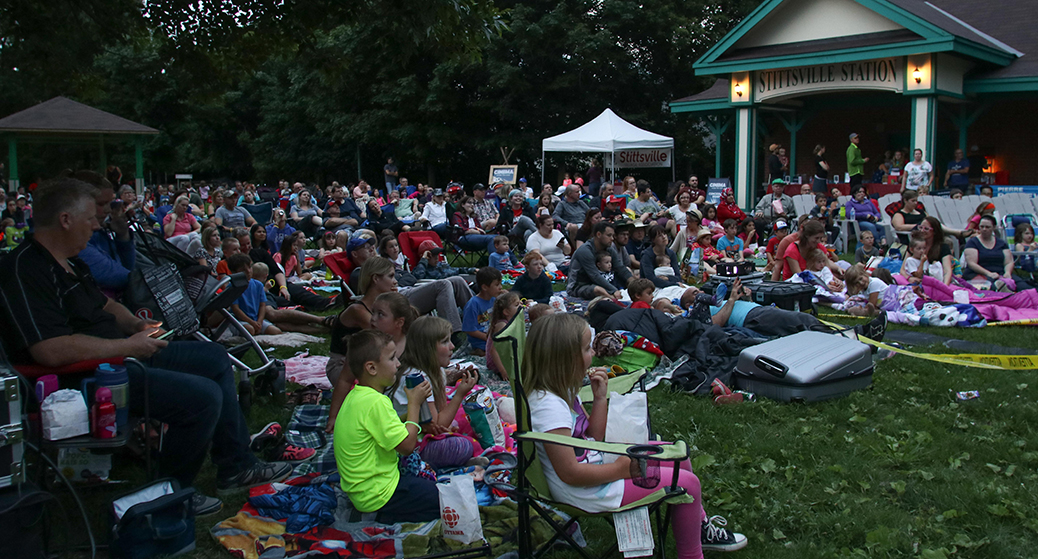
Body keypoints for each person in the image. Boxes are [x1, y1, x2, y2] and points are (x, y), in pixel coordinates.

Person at [0, 178, 292, 515]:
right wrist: (127, 346)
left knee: (214, 356)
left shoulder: (71, 261)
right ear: (65, 220)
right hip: (82, 380)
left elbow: (106, 305)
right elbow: (49, 350)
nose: (96, 225)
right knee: (202, 398)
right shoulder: (25, 269)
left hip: (118, 357)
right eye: (90, 218)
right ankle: (169, 491)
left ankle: (236, 465)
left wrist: (137, 325)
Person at [524, 313, 748, 557]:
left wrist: (599, 398)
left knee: (677, 458)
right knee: (688, 484)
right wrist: (620, 470)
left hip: (595, 467)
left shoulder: (562, 392)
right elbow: (570, 473)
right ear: (566, 358)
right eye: (587, 348)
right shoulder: (549, 408)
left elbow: (593, 438)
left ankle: (698, 528)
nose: (594, 354)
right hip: (586, 491)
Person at [333, 329, 439, 523]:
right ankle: (383, 516)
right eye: (392, 359)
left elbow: (386, 429)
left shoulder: (357, 395)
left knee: (428, 475)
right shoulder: (376, 402)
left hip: (362, 491)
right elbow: (407, 446)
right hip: (378, 494)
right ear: (372, 368)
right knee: (441, 500)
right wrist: (414, 404)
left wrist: (408, 416)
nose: (398, 364)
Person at [389, 316, 481, 469]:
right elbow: (439, 423)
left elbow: (439, 418)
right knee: (462, 446)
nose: (452, 346)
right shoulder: (417, 378)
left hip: (422, 432)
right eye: (445, 342)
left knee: (470, 419)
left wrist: (441, 427)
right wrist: (459, 394)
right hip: (407, 444)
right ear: (427, 348)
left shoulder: (436, 371)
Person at [568, 222, 633, 299]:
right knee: (598, 290)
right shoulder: (585, 250)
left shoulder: (609, 249)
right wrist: (614, 290)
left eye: (613, 235)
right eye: (609, 235)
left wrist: (633, 283)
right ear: (598, 234)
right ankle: (614, 300)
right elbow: (595, 276)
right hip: (579, 286)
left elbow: (620, 267)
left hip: (601, 281)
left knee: (628, 275)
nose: (612, 239)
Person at [963, 214, 1014, 290]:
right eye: (982, 227)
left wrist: (1007, 272)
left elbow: (1009, 261)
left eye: (987, 227)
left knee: (1022, 285)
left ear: (994, 227)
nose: (984, 229)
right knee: (992, 285)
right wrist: (989, 273)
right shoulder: (972, 243)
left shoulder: (1001, 243)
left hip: (999, 273)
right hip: (977, 274)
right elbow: (972, 263)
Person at [462, 267, 502, 356]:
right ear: (484, 287)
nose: (500, 287)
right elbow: (469, 330)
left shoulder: (493, 300)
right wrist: (489, 338)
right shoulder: (473, 304)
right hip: (480, 342)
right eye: (497, 285)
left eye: (500, 284)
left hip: (491, 336)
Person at [486, 291, 520, 378]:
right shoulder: (502, 325)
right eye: (517, 305)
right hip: (497, 363)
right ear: (506, 312)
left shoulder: (512, 321)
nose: (521, 306)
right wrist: (503, 371)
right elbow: (493, 351)